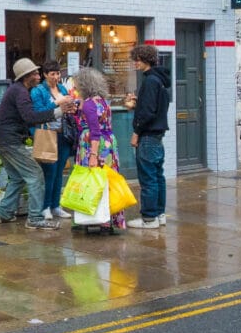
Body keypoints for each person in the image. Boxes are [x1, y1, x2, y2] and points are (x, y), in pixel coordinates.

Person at [0, 57, 73, 230]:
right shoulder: (20, 92)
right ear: (26, 76)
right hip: (9, 140)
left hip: (3, 139)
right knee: (35, 175)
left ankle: (3, 213)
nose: (38, 75)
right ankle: (34, 218)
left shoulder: (19, 90)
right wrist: (58, 111)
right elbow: (31, 117)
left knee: (18, 177)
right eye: (35, 73)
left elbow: (27, 117)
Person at [73, 66, 126, 231]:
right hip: (109, 143)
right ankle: (108, 217)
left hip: (93, 145)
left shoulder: (89, 104)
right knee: (105, 180)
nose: (75, 88)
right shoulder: (102, 101)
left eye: (77, 85)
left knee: (91, 181)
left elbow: (94, 131)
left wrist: (93, 154)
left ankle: (94, 217)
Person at [125, 44, 171, 229]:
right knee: (158, 177)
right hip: (157, 137)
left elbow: (148, 112)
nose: (135, 63)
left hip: (148, 137)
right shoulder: (159, 80)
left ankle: (149, 218)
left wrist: (136, 132)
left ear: (145, 60)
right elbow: (154, 108)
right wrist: (139, 103)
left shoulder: (150, 81)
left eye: (137, 59)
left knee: (148, 179)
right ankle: (159, 215)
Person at [30, 60, 77, 220]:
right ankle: (45, 207)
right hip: (47, 135)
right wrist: (58, 102)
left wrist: (72, 106)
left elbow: (67, 108)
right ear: (45, 75)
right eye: (52, 74)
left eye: (57, 74)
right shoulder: (38, 91)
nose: (56, 77)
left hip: (63, 134)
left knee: (59, 173)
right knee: (49, 172)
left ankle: (56, 205)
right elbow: (37, 112)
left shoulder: (62, 88)